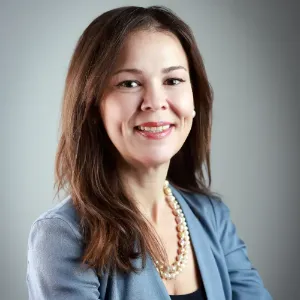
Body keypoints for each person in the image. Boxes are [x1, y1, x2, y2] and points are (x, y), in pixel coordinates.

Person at [26, 5, 272, 300]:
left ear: (195, 99)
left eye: (173, 81)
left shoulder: (212, 218)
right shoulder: (63, 237)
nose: (155, 102)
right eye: (129, 83)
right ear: (92, 106)